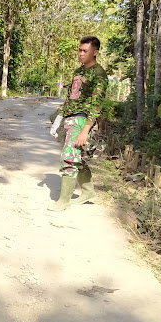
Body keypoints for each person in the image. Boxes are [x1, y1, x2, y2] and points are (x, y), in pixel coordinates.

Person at [48, 36, 108, 211]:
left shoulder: (99, 74)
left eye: (85, 51)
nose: (80, 54)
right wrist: (59, 117)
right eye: (79, 50)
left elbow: (97, 104)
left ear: (95, 52)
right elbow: (70, 98)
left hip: (82, 120)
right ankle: (88, 192)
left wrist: (85, 130)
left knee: (69, 157)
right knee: (77, 157)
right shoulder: (78, 72)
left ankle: (64, 201)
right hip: (70, 118)